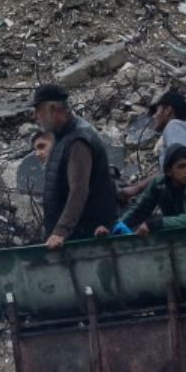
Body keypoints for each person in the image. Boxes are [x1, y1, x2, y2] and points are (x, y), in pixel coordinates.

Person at [32, 82, 120, 249]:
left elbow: (79, 189)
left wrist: (60, 231)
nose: (36, 116)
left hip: (85, 241)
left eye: (39, 110)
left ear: (52, 108)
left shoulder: (78, 140)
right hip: (74, 239)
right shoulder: (63, 136)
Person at [99, 144, 186, 237]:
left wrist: (153, 224)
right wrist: (112, 229)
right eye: (181, 166)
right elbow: (139, 210)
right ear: (168, 171)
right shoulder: (160, 184)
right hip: (175, 239)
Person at [122, 88, 186, 201]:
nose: (153, 116)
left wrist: (136, 189)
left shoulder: (174, 126)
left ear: (168, 110)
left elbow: (177, 164)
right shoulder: (183, 129)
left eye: (157, 111)